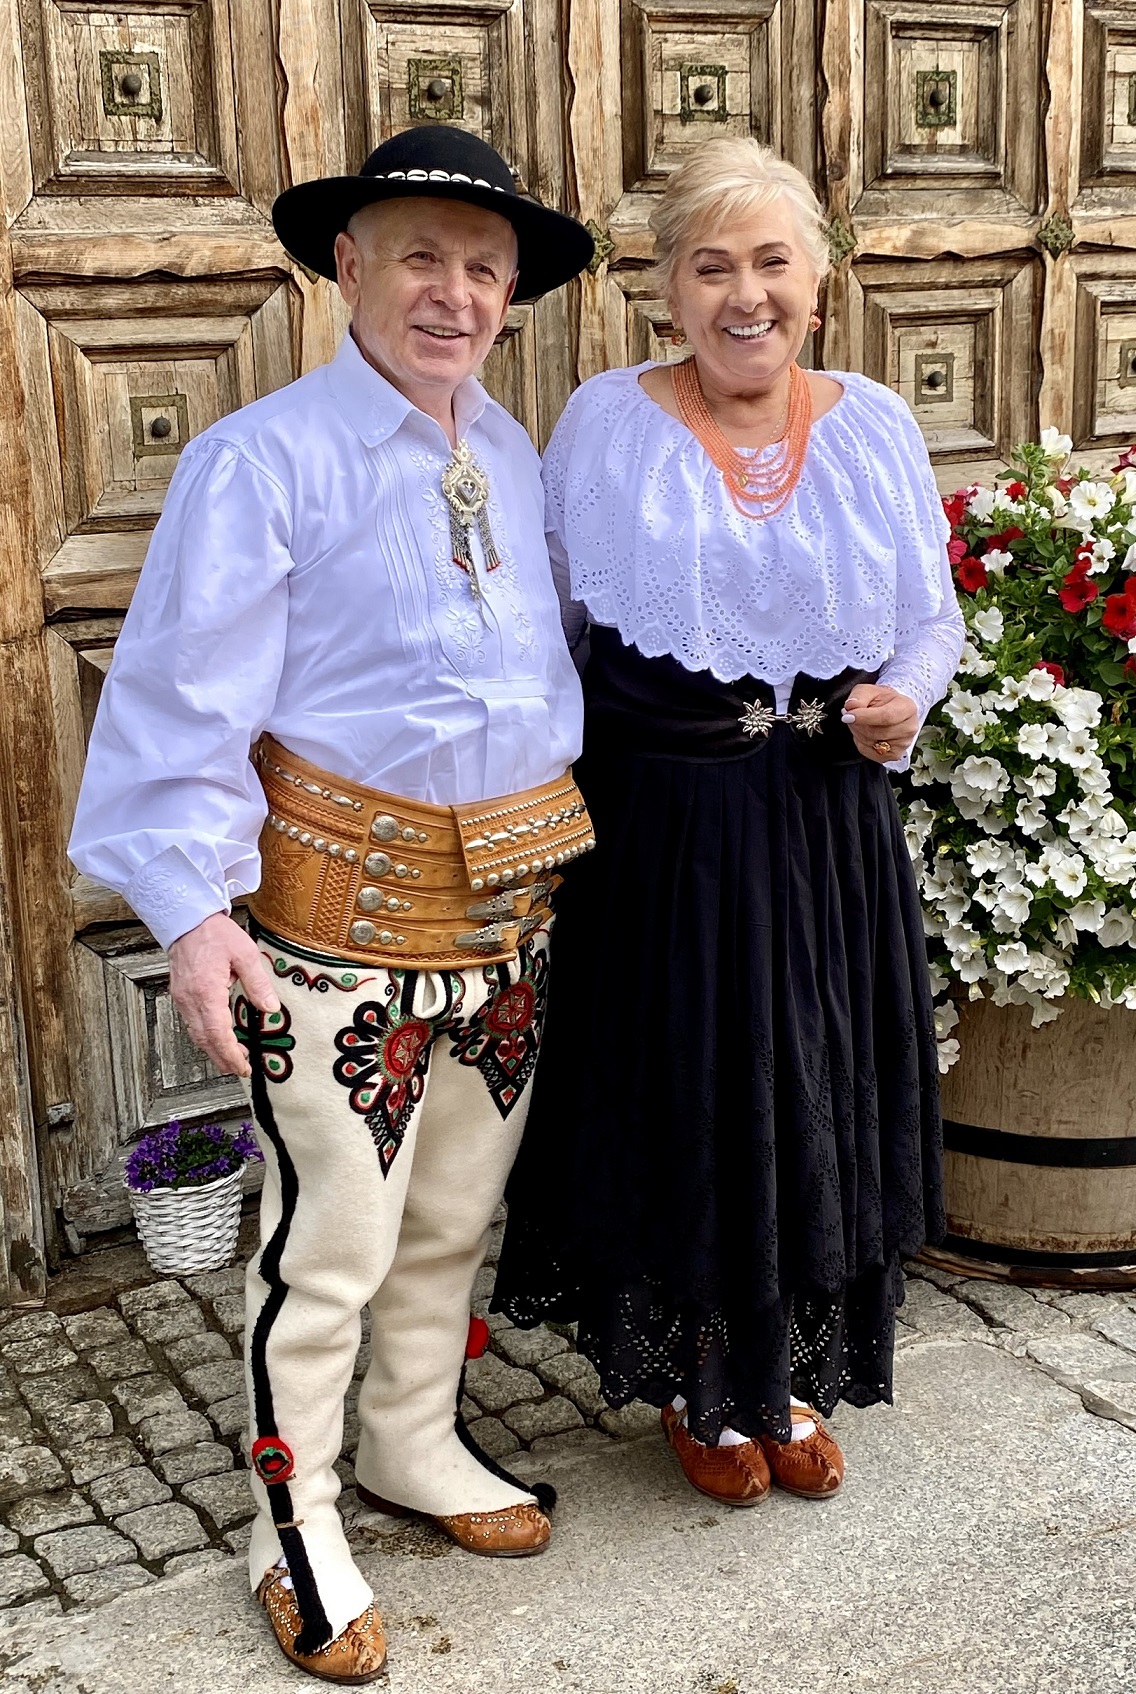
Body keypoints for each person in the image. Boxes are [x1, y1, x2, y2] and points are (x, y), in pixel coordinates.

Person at [70, 125, 594, 1682]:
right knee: (329, 1248)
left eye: (483, 268)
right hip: (332, 926)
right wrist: (192, 914)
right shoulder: (263, 460)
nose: (453, 294)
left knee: (452, 1221)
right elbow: (179, 699)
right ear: (348, 266)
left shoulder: (512, 452)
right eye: (420, 256)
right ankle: (289, 1523)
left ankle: (413, 1441)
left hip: (508, 916)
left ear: (511, 295)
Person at [493, 137, 963, 1508]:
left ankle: (788, 1379)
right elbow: (549, 625)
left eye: (771, 262)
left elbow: (930, 615)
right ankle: (702, 1384)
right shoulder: (605, 424)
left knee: (812, 1087)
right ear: (667, 290)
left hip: (828, 825)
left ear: (819, 277)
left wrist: (905, 699)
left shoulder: (873, 424)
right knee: (693, 1093)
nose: (745, 294)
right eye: (711, 267)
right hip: (669, 832)